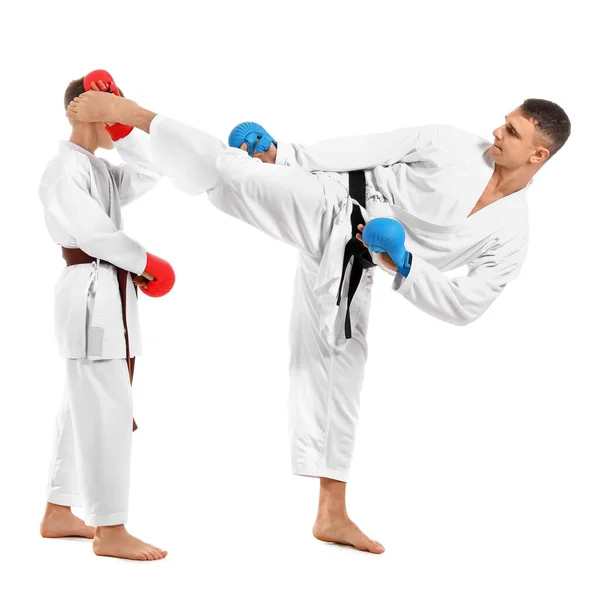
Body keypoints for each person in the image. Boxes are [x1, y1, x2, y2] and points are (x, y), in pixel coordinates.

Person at [66, 89, 570, 554]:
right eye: (505, 122)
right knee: (233, 177)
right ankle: (134, 120)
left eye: (512, 132)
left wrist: (405, 264)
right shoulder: (452, 143)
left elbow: (467, 306)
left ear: (538, 156)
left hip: (361, 260)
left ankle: (332, 514)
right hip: (334, 201)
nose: (497, 132)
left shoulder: (512, 235)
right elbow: (367, 148)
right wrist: (282, 155)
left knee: (338, 367)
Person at [39, 72, 174, 561]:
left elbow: (153, 171)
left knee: (81, 405)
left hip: (105, 291)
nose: (115, 116)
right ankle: (110, 528)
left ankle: (58, 510)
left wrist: (124, 129)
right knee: (106, 409)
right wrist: (146, 262)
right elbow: (95, 236)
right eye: (107, 108)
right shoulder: (63, 169)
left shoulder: (96, 168)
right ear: (84, 110)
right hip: (91, 292)